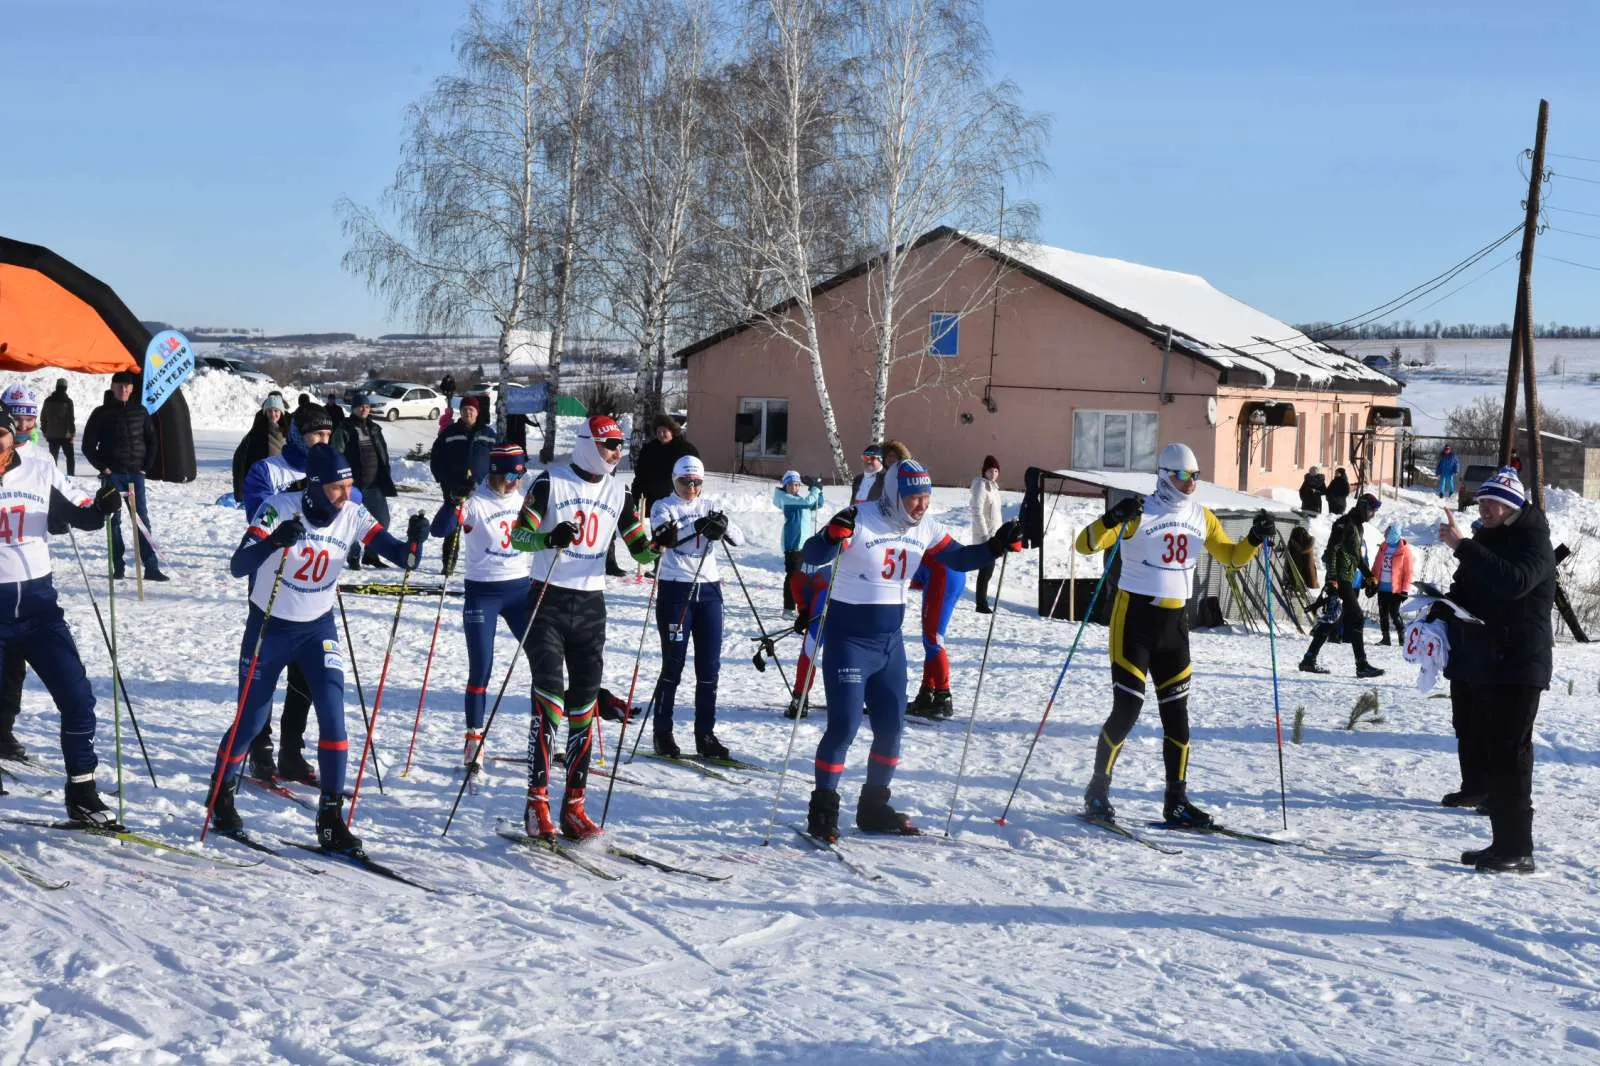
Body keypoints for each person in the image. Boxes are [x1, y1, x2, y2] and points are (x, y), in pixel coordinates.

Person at [207, 445, 429, 854]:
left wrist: (414, 545)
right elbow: (239, 564)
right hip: (270, 624)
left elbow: (396, 552)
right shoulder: (279, 508)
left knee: (333, 712)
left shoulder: (353, 512)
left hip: (317, 628)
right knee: (252, 719)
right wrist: (273, 542)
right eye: (336, 488)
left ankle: (330, 817)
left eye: (349, 486)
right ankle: (221, 794)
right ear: (313, 487)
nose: (346, 495)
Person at [800, 458, 1023, 841]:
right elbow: (812, 555)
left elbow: (959, 558)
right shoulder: (861, 517)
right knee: (845, 727)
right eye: (913, 497)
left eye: (926, 496)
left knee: (891, 728)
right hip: (849, 642)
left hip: (890, 645)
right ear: (893, 495)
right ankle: (823, 810)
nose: (921, 504)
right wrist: (830, 536)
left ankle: (873, 807)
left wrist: (996, 545)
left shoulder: (926, 528)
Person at [1074, 443, 1273, 828]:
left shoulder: (1203, 517)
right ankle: (1097, 790)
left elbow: (1231, 558)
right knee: (1127, 709)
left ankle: (1176, 800)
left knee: (1178, 718)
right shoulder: (1140, 513)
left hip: (1175, 627)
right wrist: (1112, 519)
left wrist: (1253, 539)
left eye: (1195, 476)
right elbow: (1085, 545)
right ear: (1165, 475)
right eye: (1184, 476)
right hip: (1134, 621)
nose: (1191, 483)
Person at [508, 415, 659, 841]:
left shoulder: (618, 491)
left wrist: (667, 540)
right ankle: (537, 801)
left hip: (591, 605)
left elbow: (642, 553)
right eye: (610, 444)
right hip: (547, 598)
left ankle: (574, 803)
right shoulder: (550, 481)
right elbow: (517, 537)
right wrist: (548, 538)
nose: (617, 452)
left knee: (584, 704)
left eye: (620, 445)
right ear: (589, 444)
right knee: (551, 696)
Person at [0, 407, 124, 816]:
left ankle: (82, 791)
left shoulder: (38, 467)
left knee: (78, 698)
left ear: (12, 435)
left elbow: (82, 512)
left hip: (39, 608)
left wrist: (104, 506)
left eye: (1, 436)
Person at [1437, 467, 1554, 873]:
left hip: (1522, 662)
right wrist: (1439, 607)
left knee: (1511, 754)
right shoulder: (1492, 538)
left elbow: (1515, 582)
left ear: (1512, 506)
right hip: (1493, 660)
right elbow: (1474, 590)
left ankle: (1518, 848)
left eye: (1493, 503)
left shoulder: (1533, 539)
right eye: (1481, 501)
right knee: (1495, 750)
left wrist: (1463, 547)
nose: (1484, 508)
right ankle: (1503, 843)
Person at [239, 405, 335, 783]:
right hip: (271, 581)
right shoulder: (268, 469)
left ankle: (291, 751)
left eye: (328, 436)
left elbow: (349, 507)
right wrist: (295, 497)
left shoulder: (328, 470)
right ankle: (258, 748)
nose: (323, 442)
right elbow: (256, 512)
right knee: (264, 671)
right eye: (316, 435)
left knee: (306, 675)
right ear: (298, 435)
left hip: (313, 584)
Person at [430, 444, 531, 774]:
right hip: (483, 594)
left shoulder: (523, 498)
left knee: (544, 658)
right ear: (494, 473)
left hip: (520, 591)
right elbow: (440, 530)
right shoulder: (475, 501)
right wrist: (452, 501)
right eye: (508, 476)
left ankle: (543, 732)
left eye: (519, 475)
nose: (514, 482)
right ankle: (474, 737)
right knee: (481, 668)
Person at [648, 455, 744, 760]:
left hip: (710, 590)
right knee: (673, 665)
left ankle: (705, 734)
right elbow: (668, 540)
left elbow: (739, 540)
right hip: (676, 589)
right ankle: (663, 732)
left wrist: (723, 526)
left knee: (709, 668)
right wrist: (699, 529)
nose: (692, 488)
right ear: (675, 481)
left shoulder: (710, 504)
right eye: (686, 482)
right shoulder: (663, 506)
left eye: (697, 482)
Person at [81, 371, 168, 582]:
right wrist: (103, 468)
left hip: (135, 475)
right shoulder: (101, 413)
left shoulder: (140, 411)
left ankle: (151, 567)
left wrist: (145, 467)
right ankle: (118, 567)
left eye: (127, 386)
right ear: (112, 387)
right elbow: (87, 446)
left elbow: (152, 441)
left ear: (132, 389)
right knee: (114, 521)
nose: (124, 390)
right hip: (112, 476)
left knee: (141, 521)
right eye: (120, 386)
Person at [1299, 492, 1385, 678]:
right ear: (1362, 507)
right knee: (1357, 617)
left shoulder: (1358, 527)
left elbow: (1356, 557)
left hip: (1347, 577)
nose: (1373, 515)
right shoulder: (1344, 524)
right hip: (1340, 579)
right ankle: (1361, 665)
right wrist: (1331, 578)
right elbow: (1331, 550)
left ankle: (1308, 659)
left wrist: (1369, 576)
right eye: (1371, 510)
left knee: (1334, 619)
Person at [905, 556, 965, 721]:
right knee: (930, 639)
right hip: (949, 571)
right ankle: (928, 693)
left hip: (943, 574)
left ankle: (942, 696)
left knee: (933, 639)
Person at [341, 393, 397, 570]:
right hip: (353, 486)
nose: (364, 409)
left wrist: (385, 473)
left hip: (374, 485)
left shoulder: (375, 429)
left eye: (366, 406)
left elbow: (383, 455)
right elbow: (336, 454)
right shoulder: (345, 428)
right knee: (352, 522)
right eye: (360, 406)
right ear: (354, 408)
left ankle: (371, 555)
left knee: (382, 520)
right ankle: (353, 554)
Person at [774, 470, 825, 619]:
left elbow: (817, 503)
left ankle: (801, 605)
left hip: (803, 544)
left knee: (802, 577)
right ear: (785, 486)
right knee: (793, 577)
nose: (794, 488)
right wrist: (814, 489)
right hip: (793, 545)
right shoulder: (787, 499)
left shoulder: (799, 499)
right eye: (790, 485)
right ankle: (788, 609)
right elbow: (808, 502)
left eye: (797, 485)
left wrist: (818, 489)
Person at [430, 395, 496, 499]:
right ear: (460, 412)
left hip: (482, 488)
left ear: (477, 412)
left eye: (471, 409)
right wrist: (443, 480)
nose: (467, 412)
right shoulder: (449, 432)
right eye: (464, 409)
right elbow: (436, 457)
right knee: (454, 515)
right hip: (454, 487)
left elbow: (497, 459)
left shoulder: (488, 434)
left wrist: (493, 481)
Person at [231, 395, 287, 499]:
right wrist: (239, 491)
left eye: (276, 411)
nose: (273, 414)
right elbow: (239, 461)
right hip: (261, 484)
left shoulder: (287, 433)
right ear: (265, 413)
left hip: (282, 485)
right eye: (269, 411)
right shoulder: (256, 434)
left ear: (281, 413)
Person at [969, 455, 1003, 613]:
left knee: (987, 570)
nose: (994, 473)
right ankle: (981, 604)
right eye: (991, 470)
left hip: (994, 536)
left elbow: (996, 515)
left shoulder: (994, 488)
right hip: (985, 536)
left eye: (996, 470)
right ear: (985, 471)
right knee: (986, 570)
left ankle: (982, 601)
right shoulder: (981, 486)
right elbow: (976, 511)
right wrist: (984, 535)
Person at [1372, 523, 1413, 645]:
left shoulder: (1404, 550)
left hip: (1396, 589)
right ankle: (1386, 638)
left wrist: (1405, 590)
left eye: (1387, 532)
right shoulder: (1383, 546)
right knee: (1382, 613)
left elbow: (1408, 572)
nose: (1385, 534)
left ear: (1394, 533)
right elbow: (1376, 565)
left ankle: (1402, 637)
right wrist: (1371, 580)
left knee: (1394, 613)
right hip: (1382, 587)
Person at [40, 378, 75, 475]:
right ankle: (71, 476)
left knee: (53, 457)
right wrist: (72, 433)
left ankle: (53, 476)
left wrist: (44, 430)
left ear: (56, 387)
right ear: (66, 388)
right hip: (65, 436)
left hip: (51, 435)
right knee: (70, 457)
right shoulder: (68, 401)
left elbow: (43, 417)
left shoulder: (48, 400)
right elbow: (70, 419)